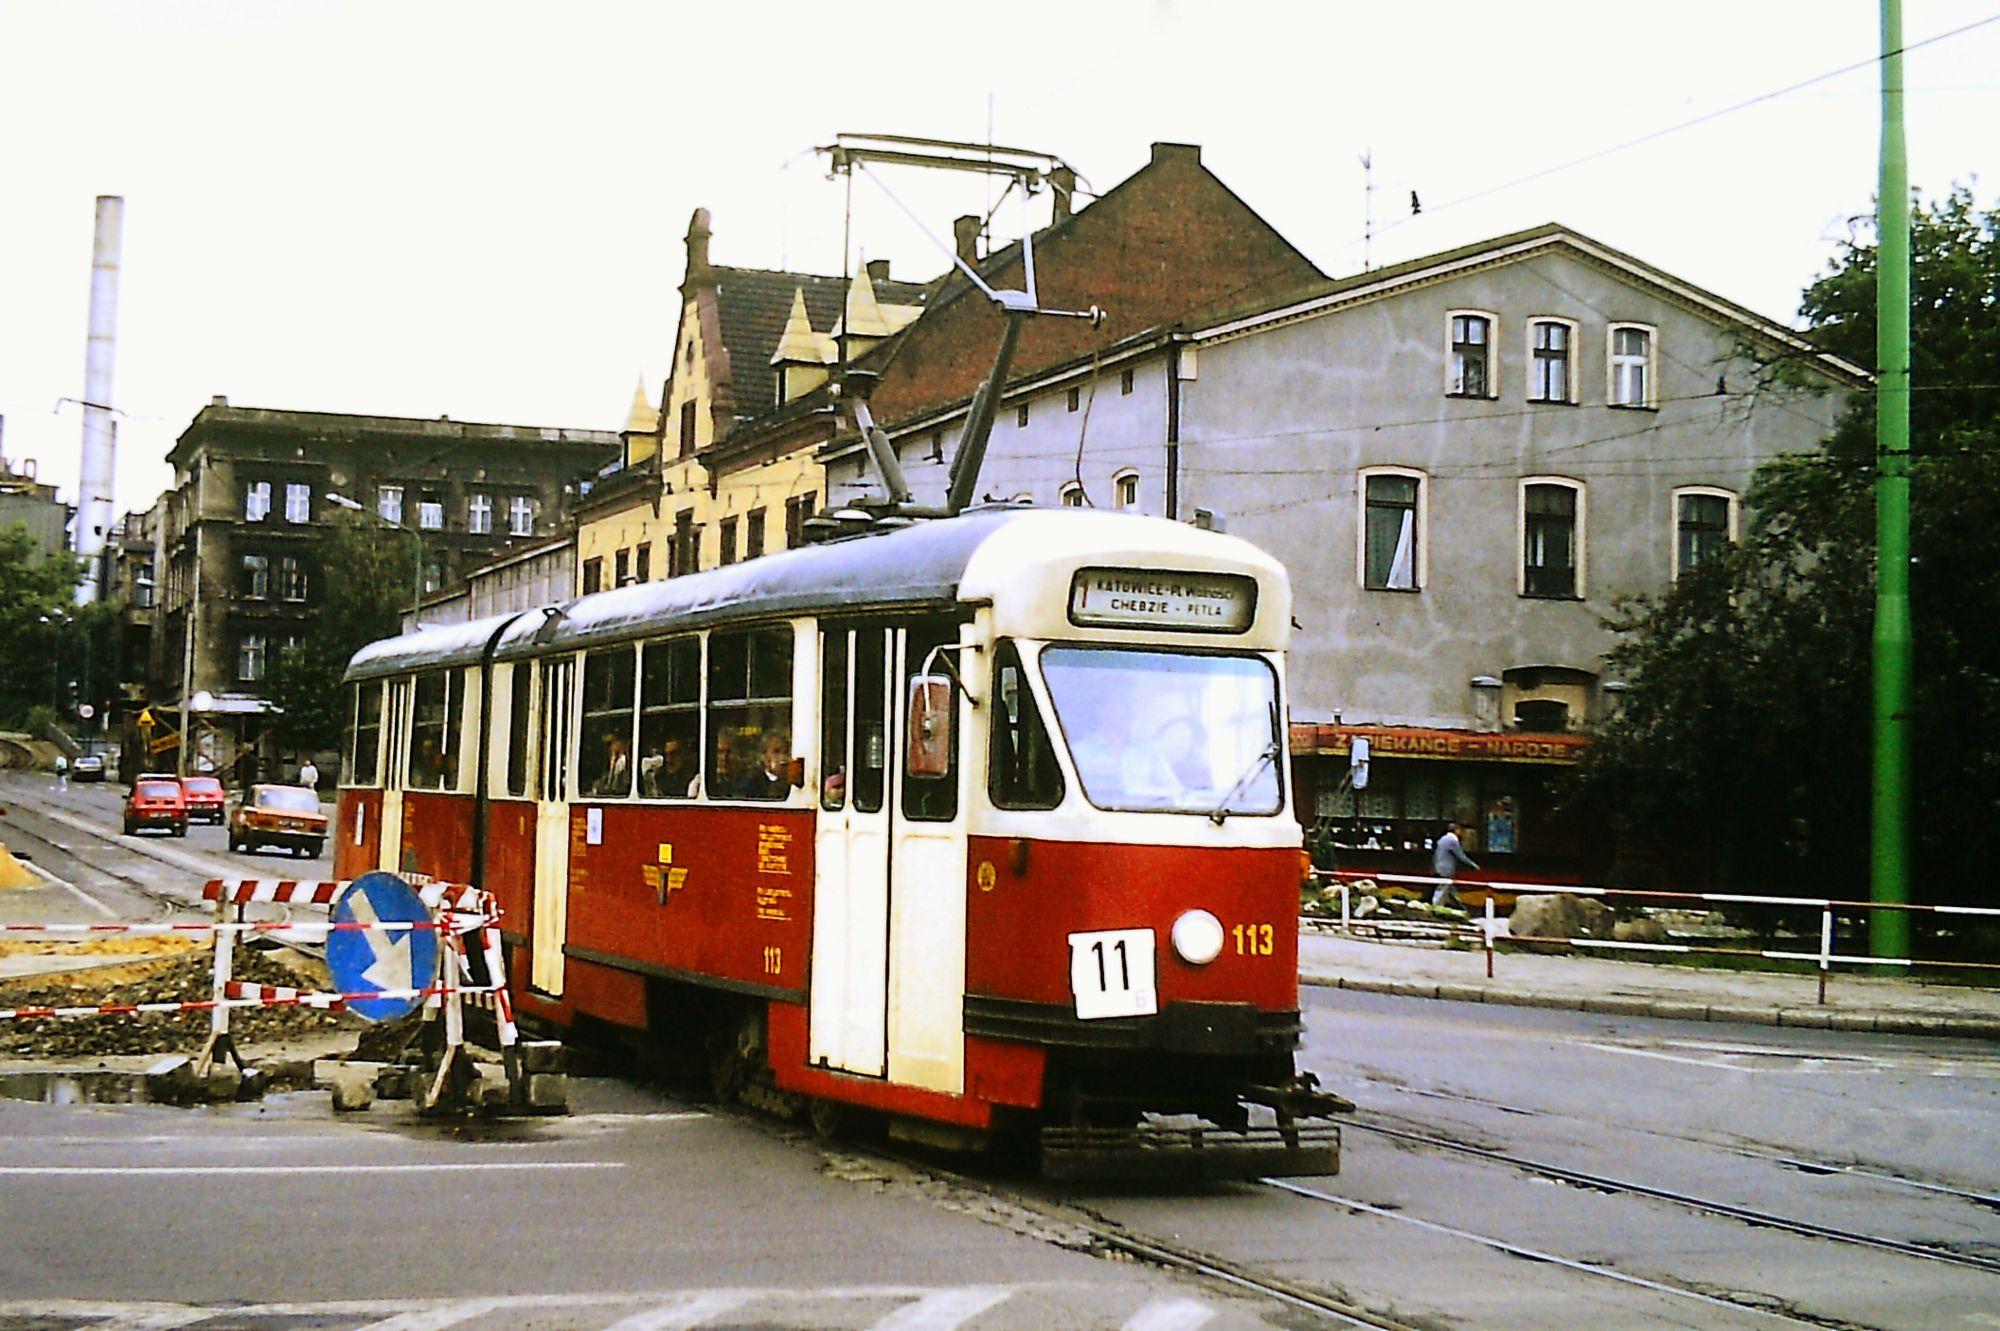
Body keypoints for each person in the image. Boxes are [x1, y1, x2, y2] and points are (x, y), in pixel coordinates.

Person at [1430, 820, 1479, 908]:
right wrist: (1473, 865)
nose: (1461, 832)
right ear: (1456, 830)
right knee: (1443, 888)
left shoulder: (1442, 839)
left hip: (1439, 866)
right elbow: (1461, 856)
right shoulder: (1452, 840)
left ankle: (1459, 905)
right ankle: (1435, 907)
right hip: (1446, 868)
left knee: (1450, 889)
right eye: (1460, 830)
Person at [735, 729, 793, 800]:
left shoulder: (791, 780)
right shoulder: (752, 783)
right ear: (764, 756)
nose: (782, 756)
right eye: (776, 751)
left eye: (785, 752)